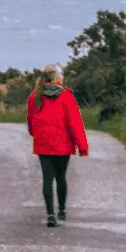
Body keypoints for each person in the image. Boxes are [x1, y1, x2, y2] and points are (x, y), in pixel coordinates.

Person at [26, 64, 89, 227]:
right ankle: (61, 211)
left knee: (47, 178)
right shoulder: (66, 97)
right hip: (63, 144)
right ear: (58, 78)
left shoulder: (35, 97)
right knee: (61, 178)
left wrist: (37, 135)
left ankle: (50, 214)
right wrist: (82, 146)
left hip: (44, 144)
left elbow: (30, 121)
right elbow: (74, 123)